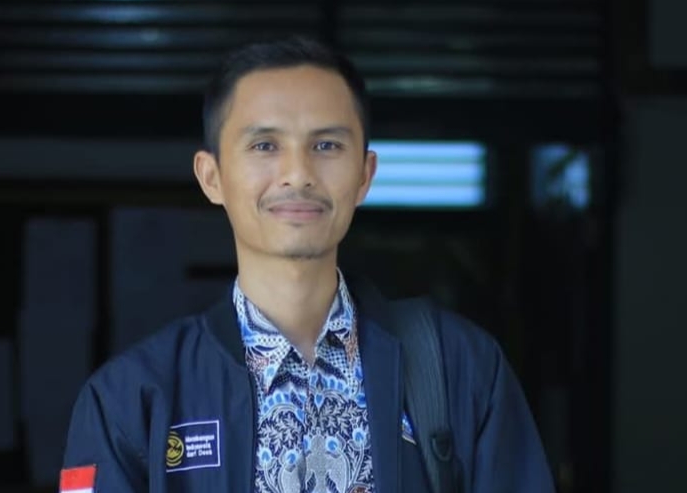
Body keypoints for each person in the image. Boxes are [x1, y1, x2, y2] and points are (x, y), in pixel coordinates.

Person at [60, 36, 555, 493]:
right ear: (211, 177)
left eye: (327, 145)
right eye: (265, 145)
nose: (298, 174)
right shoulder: (129, 398)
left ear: (364, 175)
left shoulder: (461, 369)